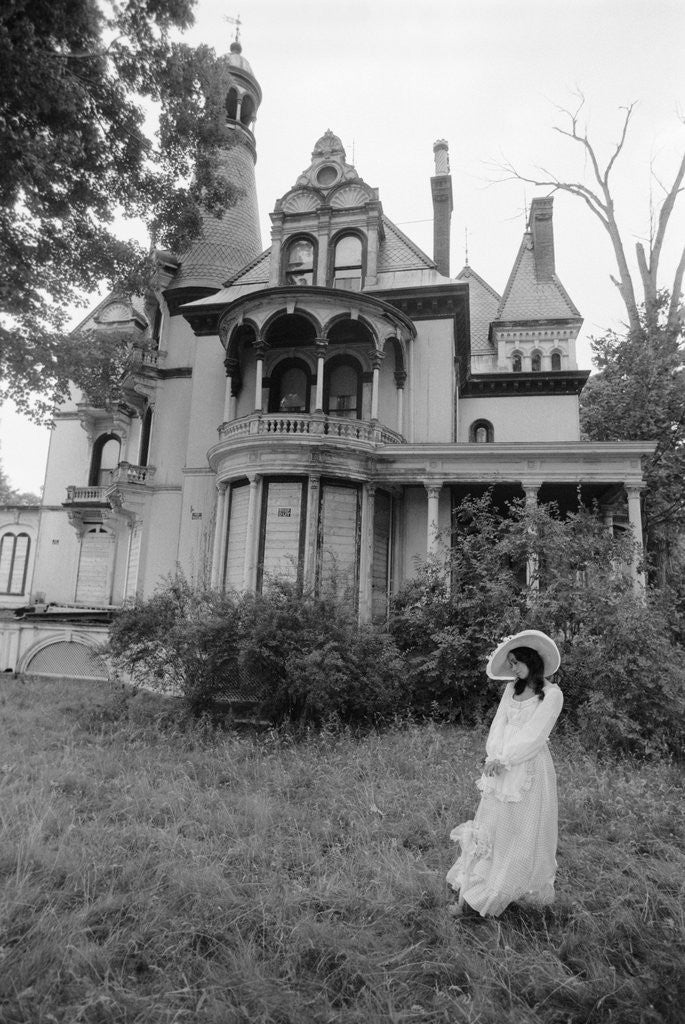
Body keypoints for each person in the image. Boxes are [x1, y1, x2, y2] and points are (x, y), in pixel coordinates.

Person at [447, 629, 564, 918]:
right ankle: (483, 878)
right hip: (501, 763)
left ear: (531, 661)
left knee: (521, 828)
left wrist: (508, 758)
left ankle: (511, 882)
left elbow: (535, 735)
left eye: (516, 662)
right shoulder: (511, 690)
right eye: (510, 663)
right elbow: (498, 724)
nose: (513, 668)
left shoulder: (551, 694)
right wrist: (495, 756)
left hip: (528, 768)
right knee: (495, 824)